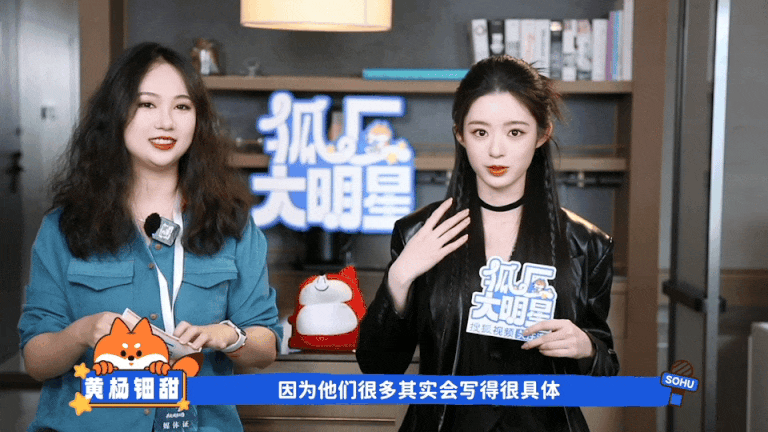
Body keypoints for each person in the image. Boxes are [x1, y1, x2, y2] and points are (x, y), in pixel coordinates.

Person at [18, 42, 281, 432]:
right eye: (147, 104)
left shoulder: (232, 225)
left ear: (198, 120)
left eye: (182, 107)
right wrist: (83, 332)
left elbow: (265, 346)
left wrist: (225, 335)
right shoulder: (64, 227)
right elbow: (36, 360)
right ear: (116, 113)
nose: (166, 123)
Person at [356, 55, 619, 432]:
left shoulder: (587, 244)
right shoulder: (417, 233)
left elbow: (605, 370)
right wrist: (398, 279)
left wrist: (586, 348)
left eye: (515, 133)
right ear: (460, 135)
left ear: (542, 134)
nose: (496, 150)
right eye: (480, 132)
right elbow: (379, 369)